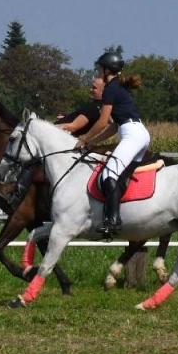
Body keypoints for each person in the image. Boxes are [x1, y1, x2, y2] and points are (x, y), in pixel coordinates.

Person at [76, 52, 147, 238]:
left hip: (132, 135)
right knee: (122, 175)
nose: (99, 72)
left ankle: (113, 220)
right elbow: (114, 127)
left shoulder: (110, 89)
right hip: (138, 133)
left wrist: (83, 139)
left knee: (109, 173)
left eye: (100, 69)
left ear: (107, 69)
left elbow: (102, 121)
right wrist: (93, 142)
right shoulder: (120, 87)